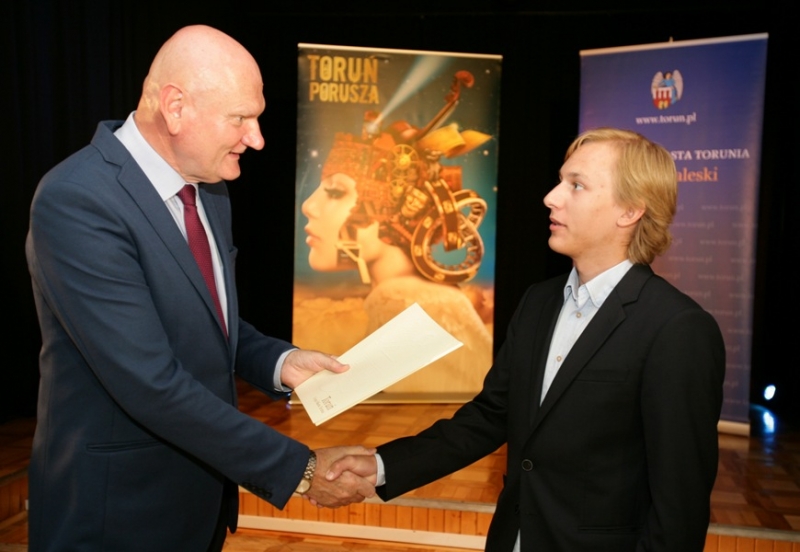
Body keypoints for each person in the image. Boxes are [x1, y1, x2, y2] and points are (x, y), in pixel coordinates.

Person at [25, 25, 374, 552]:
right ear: (175, 107)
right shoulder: (78, 200)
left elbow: (205, 318)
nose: (256, 139)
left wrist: (279, 362)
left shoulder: (207, 188)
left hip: (199, 501)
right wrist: (300, 470)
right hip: (116, 513)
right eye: (241, 119)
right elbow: (148, 381)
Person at [328, 128, 726, 551]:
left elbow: (679, 509)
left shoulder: (678, 328)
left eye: (576, 185)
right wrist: (383, 465)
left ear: (629, 211)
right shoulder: (539, 301)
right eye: (560, 181)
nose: (551, 197)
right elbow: (491, 416)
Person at [298, 121, 494, 394]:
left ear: (391, 212)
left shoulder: (398, 299)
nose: (308, 205)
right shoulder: (419, 295)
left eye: (335, 192)